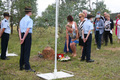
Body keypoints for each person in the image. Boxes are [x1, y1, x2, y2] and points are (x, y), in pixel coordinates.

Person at [19, 7, 35, 72]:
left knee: (22, 50)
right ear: (29, 12)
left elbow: (19, 29)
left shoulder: (22, 19)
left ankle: (21, 65)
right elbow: (28, 29)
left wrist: (21, 38)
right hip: (27, 36)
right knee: (27, 51)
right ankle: (27, 67)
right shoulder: (30, 20)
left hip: (22, 34)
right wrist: (24, 38)